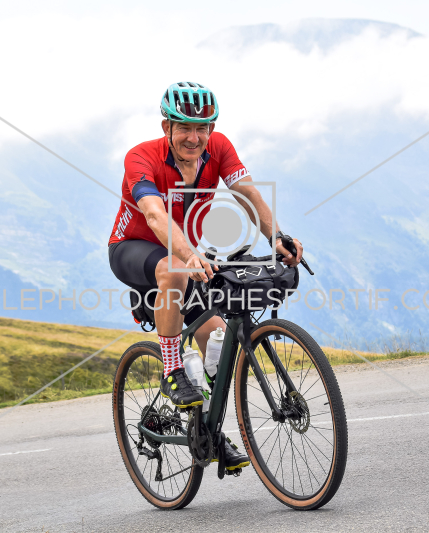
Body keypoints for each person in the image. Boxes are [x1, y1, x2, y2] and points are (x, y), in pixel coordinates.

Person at [108, 82, 303, 470]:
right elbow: (154, 215)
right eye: (184, 128)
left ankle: (208, 432)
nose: (194, 138)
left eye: (202, 128)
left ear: (211, 129)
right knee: (173, 267)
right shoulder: (141, 157)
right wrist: (187, 254)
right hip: (134, 249)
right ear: (167, 127)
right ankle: (171, 370)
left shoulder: (220, 148)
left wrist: (276, 237)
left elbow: (248, 194)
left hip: (186, 254)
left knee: (217, 344)